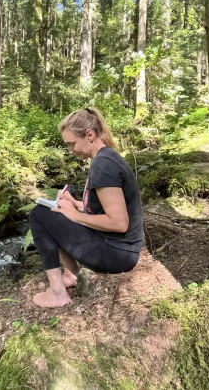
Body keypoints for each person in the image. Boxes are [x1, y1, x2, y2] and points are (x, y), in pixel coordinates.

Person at [29, 107, 144, 308]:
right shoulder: (106, 157)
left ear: (89, 135)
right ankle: (71, 275)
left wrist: (75, 215)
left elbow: (118, 222)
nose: (71, 150)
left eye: (71, 144)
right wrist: (75, 203)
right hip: (122, 250)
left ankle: (58, 292)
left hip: (117, 254)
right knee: (53, 211)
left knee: (38, 215)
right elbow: (104, 207)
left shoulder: (103, 164)